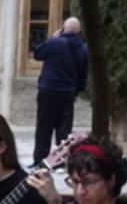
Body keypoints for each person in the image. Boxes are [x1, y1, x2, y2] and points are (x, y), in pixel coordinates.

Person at [31, 16, 88, 165]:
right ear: (79, 31)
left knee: (44, 126)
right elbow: (83, 73)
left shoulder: (56, 43)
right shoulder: (83, 48)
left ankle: (39, 160)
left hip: (49, 90)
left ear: (63, 28)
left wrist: (51, 39)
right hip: (68, 92)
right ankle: (60, 162)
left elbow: (37, 54)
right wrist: (76, 91)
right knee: (64, 130)